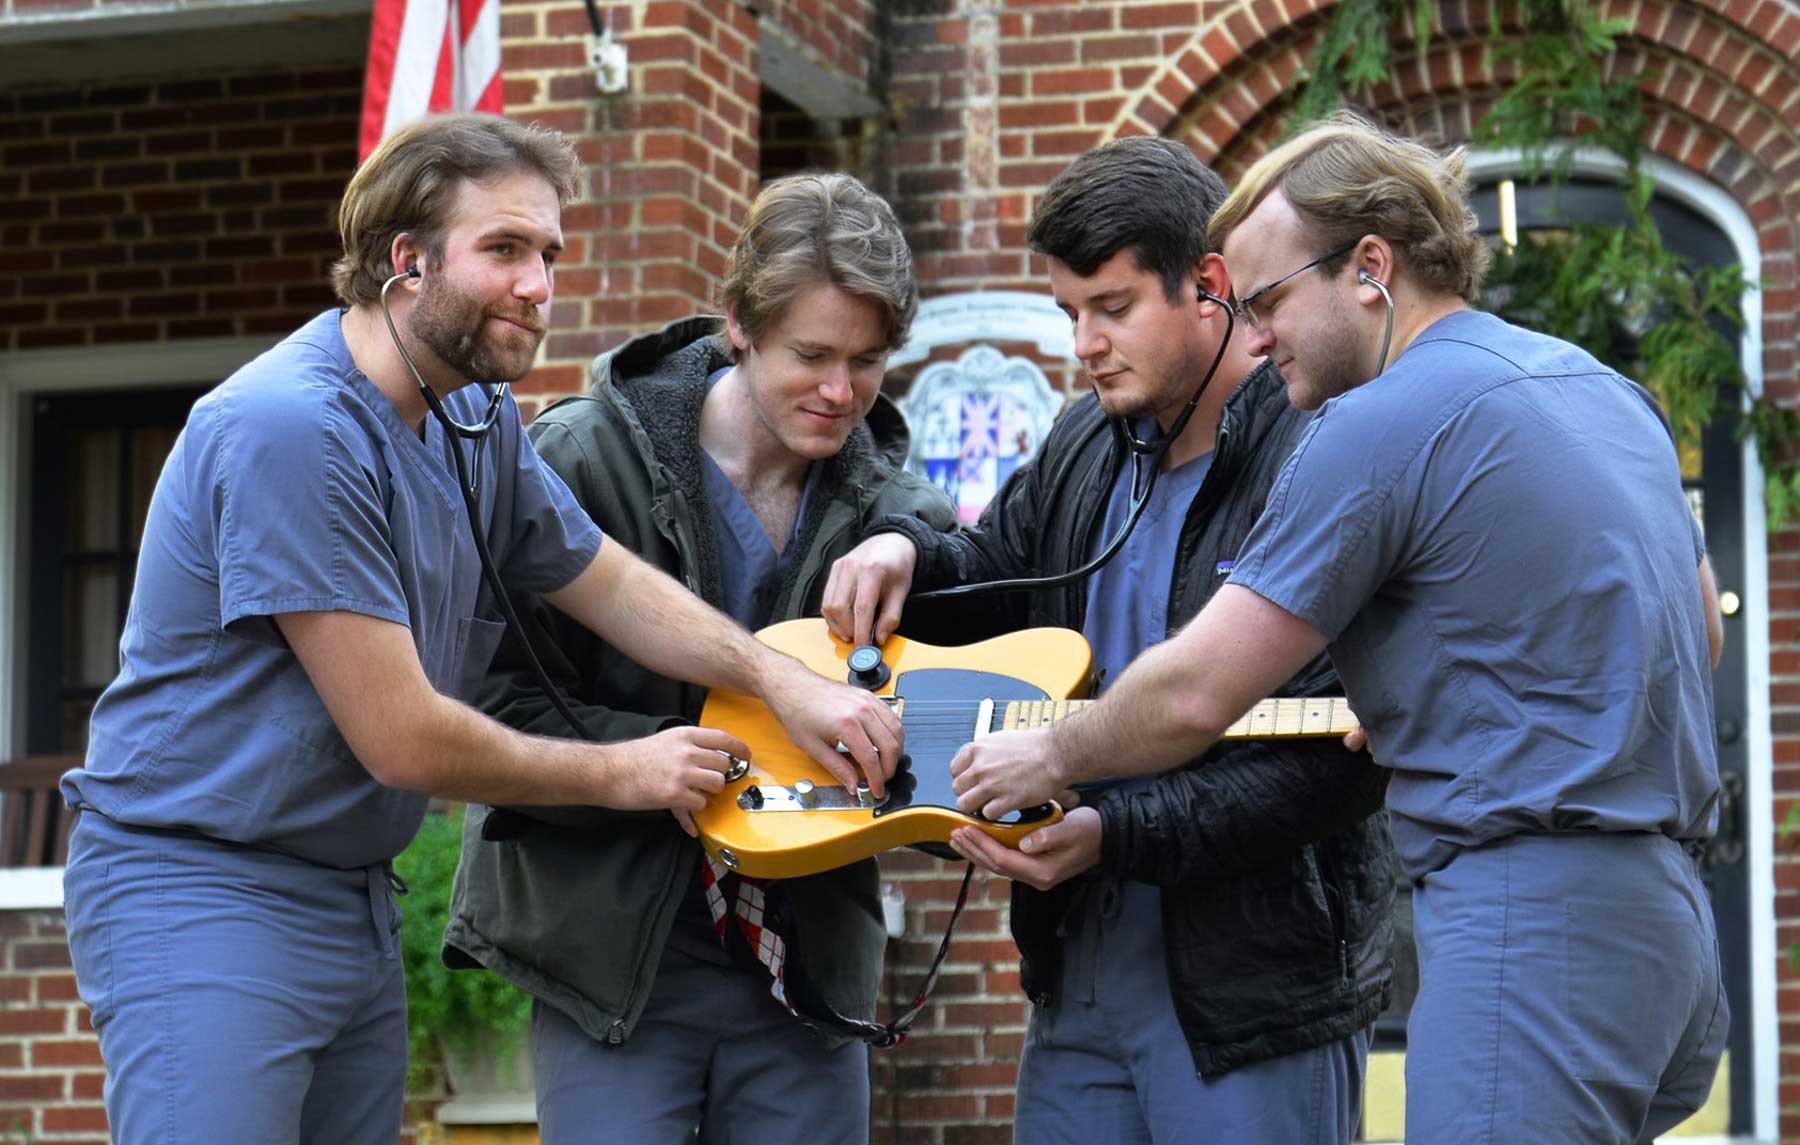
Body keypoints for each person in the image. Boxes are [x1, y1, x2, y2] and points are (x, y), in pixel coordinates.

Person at [58, 114, 904, 1145]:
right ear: (404, 262)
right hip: (204, 885)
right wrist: (621, 769)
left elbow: (609, 582)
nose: (539, 284)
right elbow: (403, 735)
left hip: (351, 889)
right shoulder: (295, 429)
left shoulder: (470, 418)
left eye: (548, 251)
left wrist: (784, 681)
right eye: (503, 250)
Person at [943, 113, 1728, 1145]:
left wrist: (1047, 748)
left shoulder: (1374, 421)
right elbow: (1698, 633)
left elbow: (1193, 695)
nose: (1255, 336)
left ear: (1369, 267)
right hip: (1668, 920)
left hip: (1529, 916)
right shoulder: (1602, 389)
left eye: (1268, 300)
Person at [822, 136, 1394, 1145]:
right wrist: (904, 550)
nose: (1083, 343)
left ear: (1210, 286)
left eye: (1113, 308)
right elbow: (995, 569)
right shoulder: (1086, 438)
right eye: (1068, 314)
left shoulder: (1318, 448)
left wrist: (1114, 830)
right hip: (1078, 982)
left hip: (1253, 1000)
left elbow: (1332, 762)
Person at [441, 171, 959, 1145]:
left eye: (869, 360)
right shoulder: (577, 462)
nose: (841, 391)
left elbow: (933, 774)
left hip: (805, 979)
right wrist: (651, 762)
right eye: (811, 354)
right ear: (739, 324)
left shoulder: (907, 520)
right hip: (611, 969)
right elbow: (486, 710)